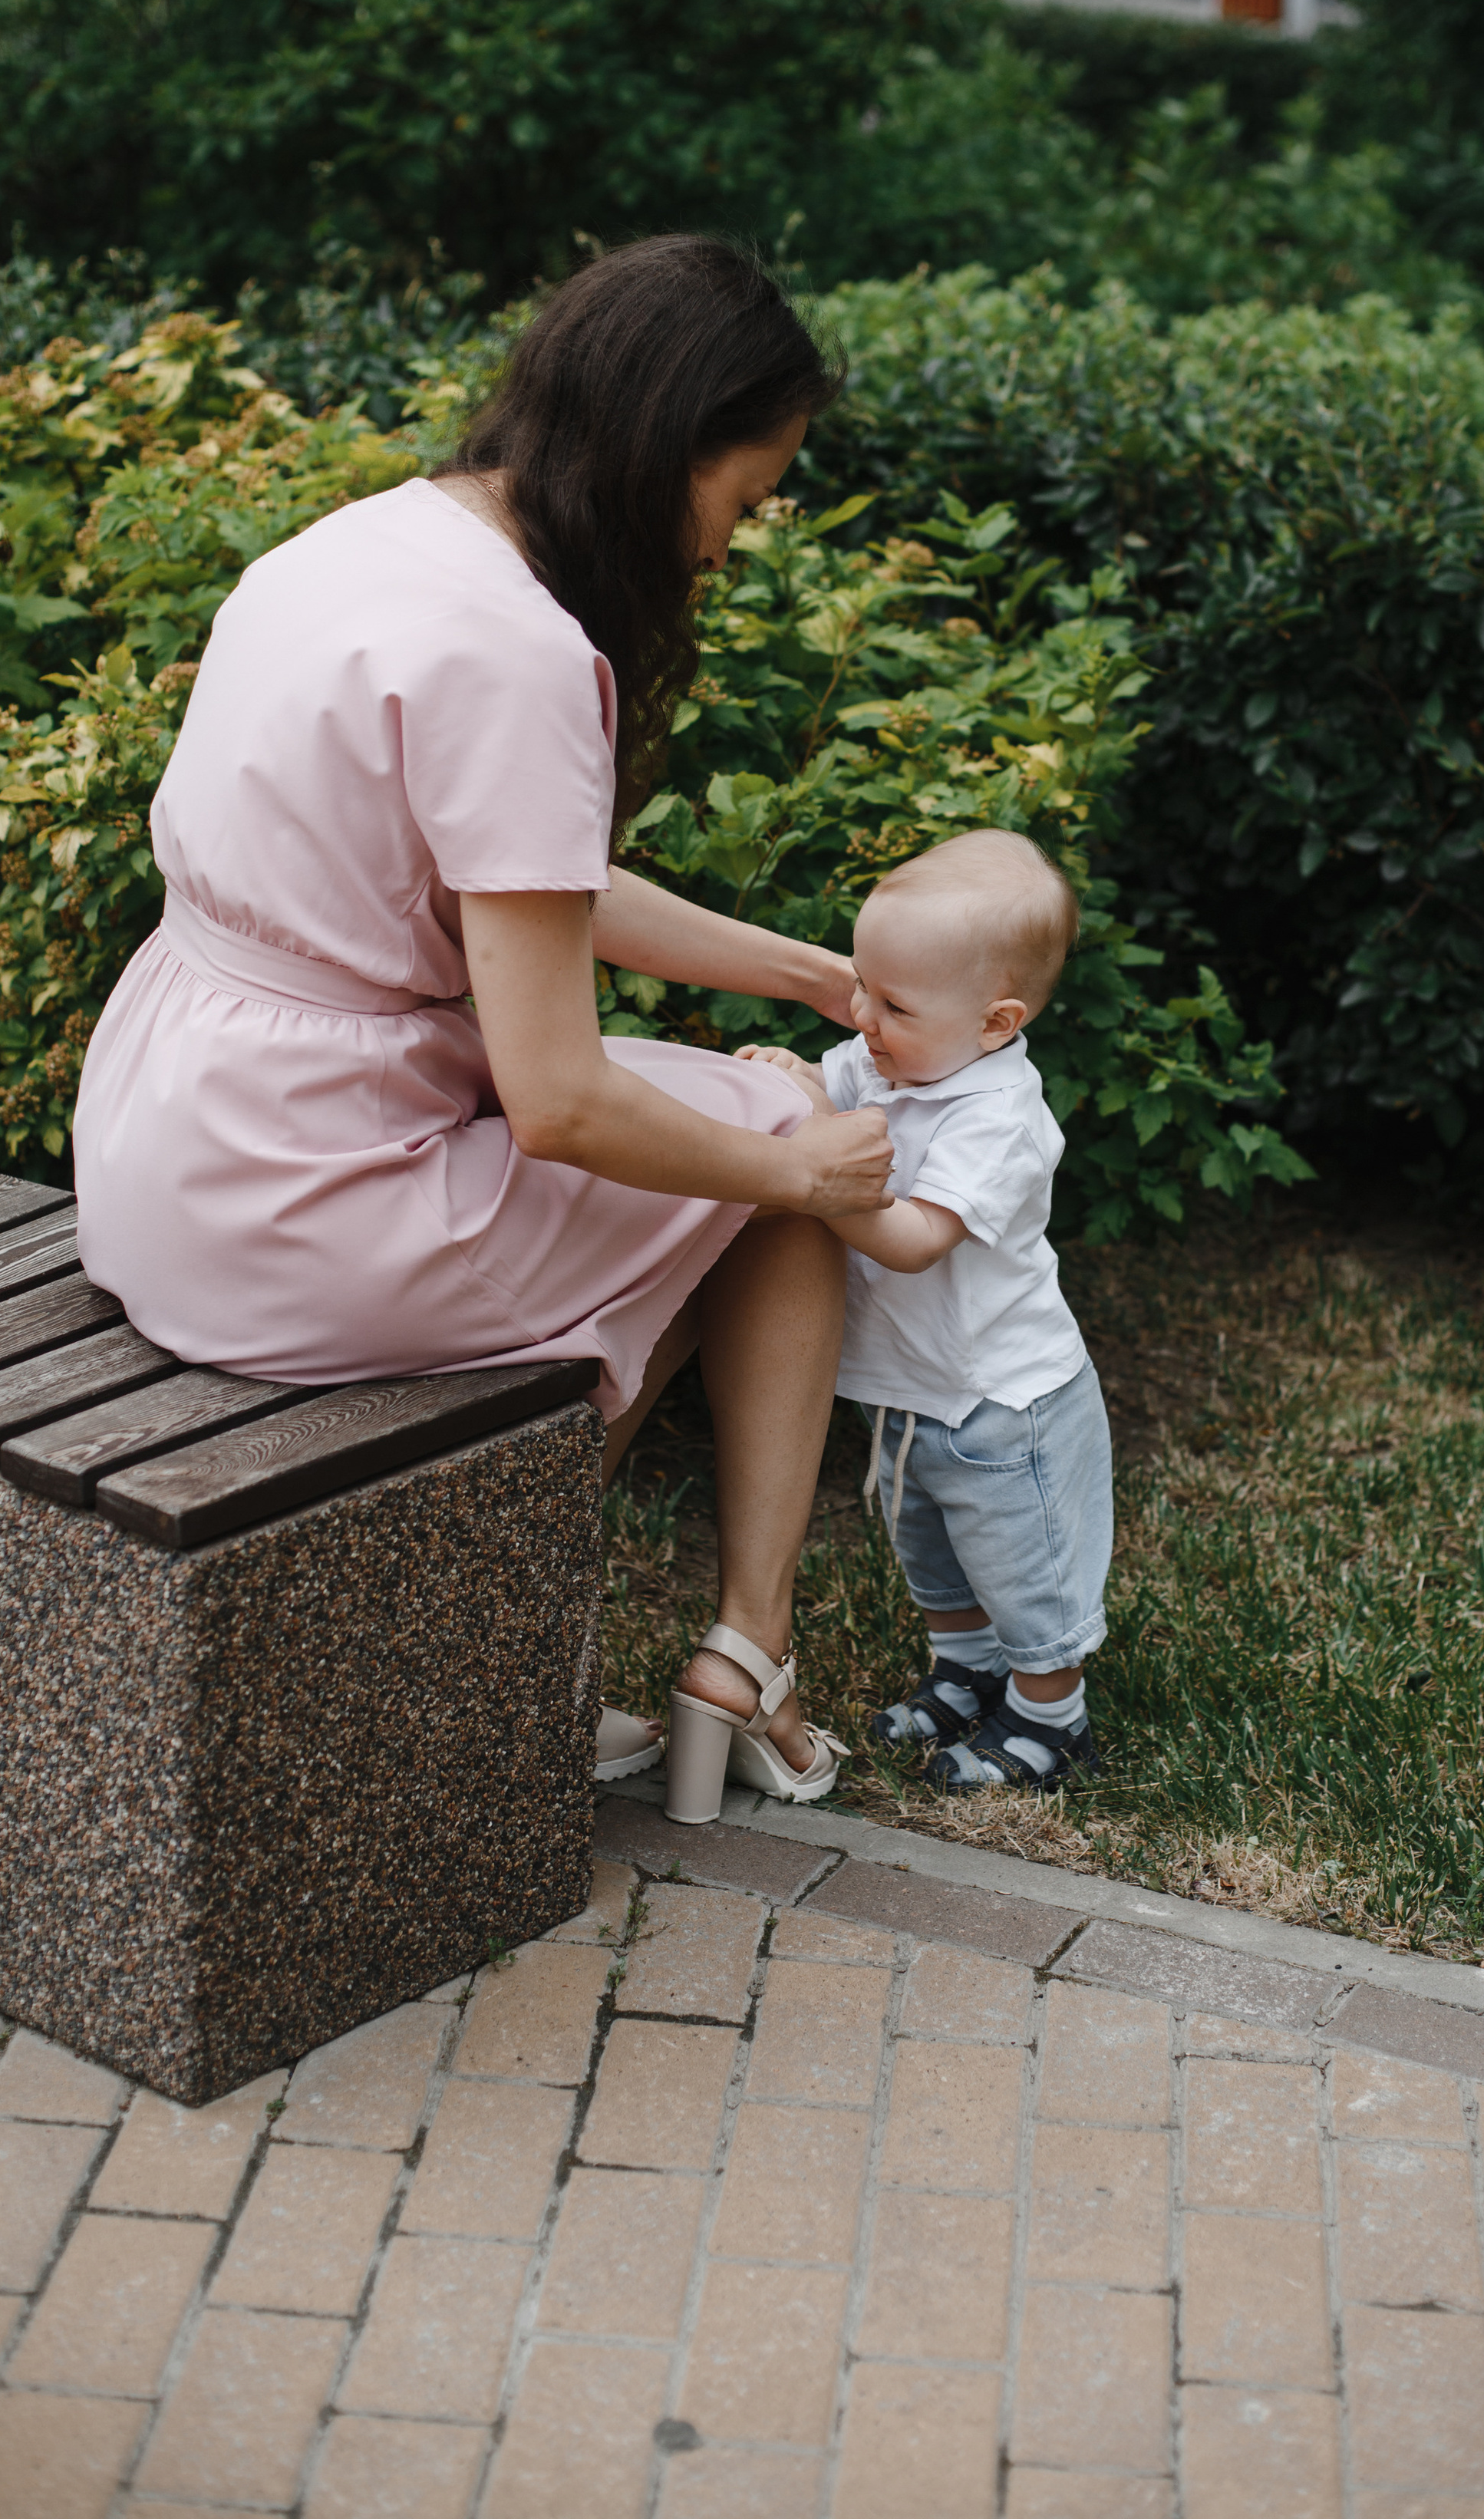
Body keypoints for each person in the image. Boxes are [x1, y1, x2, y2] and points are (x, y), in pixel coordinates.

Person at [72, 235, 894, 1814]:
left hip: (165, 1133)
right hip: (297, 1203)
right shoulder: (520, 653)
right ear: (669, 455)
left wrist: (788, 972)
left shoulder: (370, 542)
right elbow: (562, 1103)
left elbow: (520, 876)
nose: (737, 543)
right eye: (748, 497)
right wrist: (801, 1172)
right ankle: (709, 1655)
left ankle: (504, 1653)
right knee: (777, 1142)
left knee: (747, 1116)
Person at [732, 827, 1113, 1799]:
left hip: (1003, 1398)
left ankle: (1048, 1711)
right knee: (933, 1554)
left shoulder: (997, 1119)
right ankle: (965, 1671)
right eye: (861, 985)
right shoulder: (888, 1059)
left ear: (994, 1022)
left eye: (891, 1002)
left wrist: (815, 1155)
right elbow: (828, 1088)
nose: (861, 1016)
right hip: (910, 1389)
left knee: (1023, 1561)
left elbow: (907, 1239)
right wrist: (797, 1083)